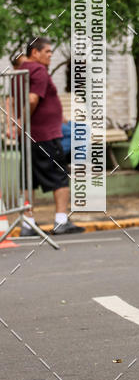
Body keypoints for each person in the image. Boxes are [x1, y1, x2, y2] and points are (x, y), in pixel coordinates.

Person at [21, 37, 83, 235]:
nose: (50, 55)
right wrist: (24, 120)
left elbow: (14, 98)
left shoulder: (22, 71)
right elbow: (32, 99)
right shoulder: (38, 70)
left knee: (28, 180)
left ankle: (27, 223)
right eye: (47, 52)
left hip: (33, 136)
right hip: (45, 136)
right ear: (35, 52)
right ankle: (61, 220)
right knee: (60, 177)